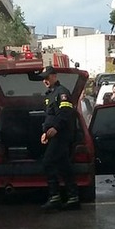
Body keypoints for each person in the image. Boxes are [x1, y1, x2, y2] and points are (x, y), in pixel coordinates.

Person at [39, 66, 80, 212]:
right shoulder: (50, 94)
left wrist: (55, 128)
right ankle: (73, 197)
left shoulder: (62, 93)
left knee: (48, 163)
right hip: (54, 135)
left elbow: (66, 113)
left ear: (54, 76)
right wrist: (45, 132)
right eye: (43, 78)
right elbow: (50, 116)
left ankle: (55, 198)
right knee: (64, 166)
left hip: (61, 135)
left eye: (47, 77)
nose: (45, 80)